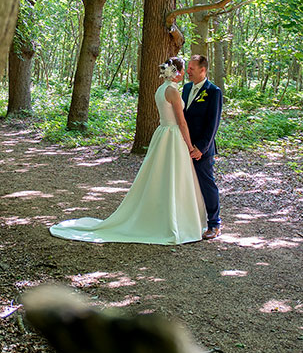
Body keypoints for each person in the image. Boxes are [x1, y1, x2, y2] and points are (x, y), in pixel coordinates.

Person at [50, 57, 206, 245]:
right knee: (174, 177)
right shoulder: (172, 91)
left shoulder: (160, 89)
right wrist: (190, 146)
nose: (185, 74)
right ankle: (174, 220)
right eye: (183, 70)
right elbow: (181, 122)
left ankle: (166, 216)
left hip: (162, 133)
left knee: (161, 176)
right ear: (177, 72)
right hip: (172, 135)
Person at [181, 54, 224, 239]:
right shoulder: (186, 88)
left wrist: (201, 148)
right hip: (183, 146)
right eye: (188, 67)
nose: (187, 71)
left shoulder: (213, 91)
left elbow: (213, 124)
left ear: (203, 70)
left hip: (201, 149)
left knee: (207, 184)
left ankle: (214, 224)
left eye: (191, 68)